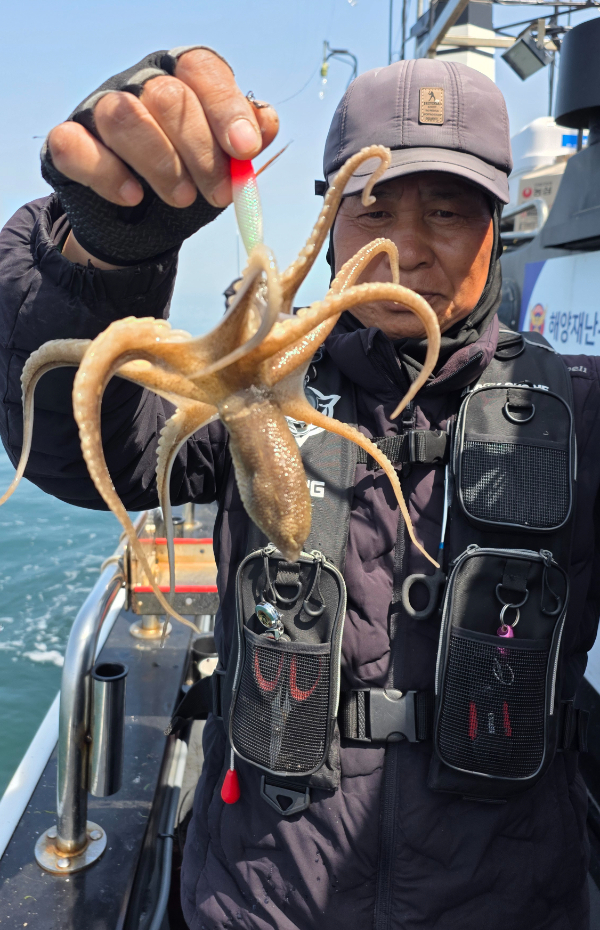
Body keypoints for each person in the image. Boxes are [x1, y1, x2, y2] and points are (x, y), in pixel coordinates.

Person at [0, 47, 597, 930]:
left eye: (446, 210)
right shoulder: (259, 396)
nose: (405, 249)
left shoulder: (579, 409)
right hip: (260, 900)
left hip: (511, 902)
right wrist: (98, 255)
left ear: (496, 225)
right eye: (372, 208)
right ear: (332, 220)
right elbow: (82, 442)